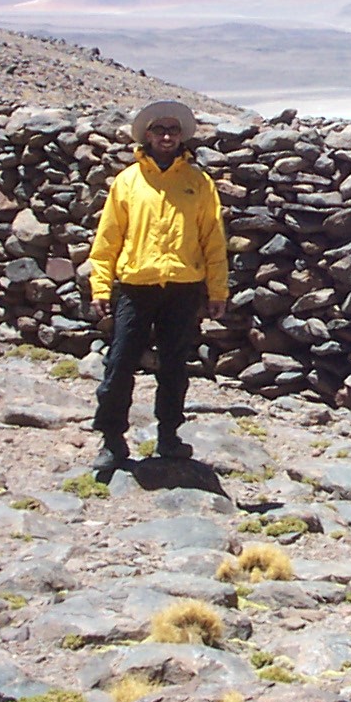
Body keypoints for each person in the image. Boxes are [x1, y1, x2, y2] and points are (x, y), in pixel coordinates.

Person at [86, 99, 229, 470]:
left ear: (181, 136)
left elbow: (213, 240)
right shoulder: (128, 182)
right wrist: (101, 287)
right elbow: (108, 239)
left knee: (174, 367)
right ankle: (112, 440)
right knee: (119, 363)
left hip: (183, 287)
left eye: (173, 130)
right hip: (137, 286)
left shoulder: (198, 183)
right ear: (147, 136)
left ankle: (169, 435)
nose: (166, 136)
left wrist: (217, 291)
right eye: (159, 130)